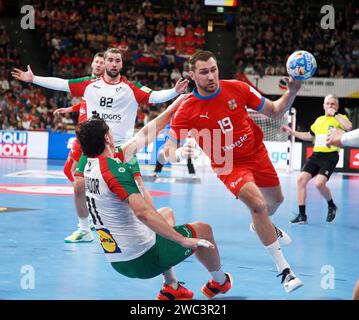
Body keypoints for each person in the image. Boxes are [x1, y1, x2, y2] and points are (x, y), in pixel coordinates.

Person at [125, 50, 303, 293]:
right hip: (228, 164)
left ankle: (261, 226)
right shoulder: (187, 109)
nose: (211, 76)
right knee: (258, 206)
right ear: (192, 75)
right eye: (204, 72)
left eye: (213, 69)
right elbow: (167, 150)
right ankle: (285, 271)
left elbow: (274, 110)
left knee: (275, 201)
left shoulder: (238, 88)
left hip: (257, 153)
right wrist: (178, 154)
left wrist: (292, 91)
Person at [12, 47, 189, 243]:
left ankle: (159, 229)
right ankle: (84, 229)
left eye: (117, 61)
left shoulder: (131, 88)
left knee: (140, 192)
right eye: (110, 60)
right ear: (104, 62)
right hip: (94, 148)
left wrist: (175, 91)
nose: (113, 64)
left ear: (122, 64)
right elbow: (62, 84)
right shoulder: (89, 85)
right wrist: (33, 79)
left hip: (123, 148)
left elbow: (155, 96)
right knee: (79, 185)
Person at [76, 115, 233, 300]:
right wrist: (182, 239)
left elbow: (145, 133)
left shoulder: (88, 165)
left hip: (116, 260)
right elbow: (144, 212)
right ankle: (220, 282)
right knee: (204, 230)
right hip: (142, 259)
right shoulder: (114, 170)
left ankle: (171, 286)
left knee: (165, 214)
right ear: (107, 138)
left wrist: (178, 101)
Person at [51, 52, 105, 231]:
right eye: (96, 61)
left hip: (89, 134)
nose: (98, 64)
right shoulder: (88, 84)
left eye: (101, 62)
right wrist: (70, 108)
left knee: (76, 174)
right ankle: (89, 199)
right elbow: (84, 104)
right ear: (91, 63)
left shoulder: (103, 86)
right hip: (81, 132)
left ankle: (89, 209)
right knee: (70, 171)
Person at [281, 94, 352, 224]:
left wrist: (335, 114)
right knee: (301, 180)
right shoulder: (319, 120)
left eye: (333, 104)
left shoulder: (340, 118)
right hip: (316, 155)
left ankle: (331, 205)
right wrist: (292, 132)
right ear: (323, 105)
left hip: (330, 156)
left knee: (319, 183)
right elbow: (309, 135)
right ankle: (302, 216)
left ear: (337, 107)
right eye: (328, 104)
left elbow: (349, 127)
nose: (330, 106)